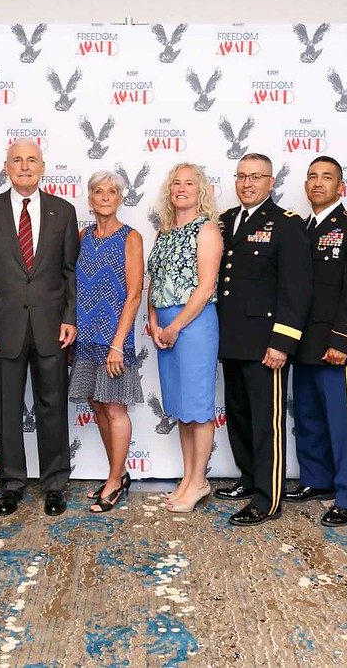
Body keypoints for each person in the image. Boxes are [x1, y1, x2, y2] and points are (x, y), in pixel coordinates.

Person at [0, 139, 80, 517]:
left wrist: (69, 317)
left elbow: (69, 274)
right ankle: (12, 483)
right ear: (6, 166)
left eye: (32, 160)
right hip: (2, 329)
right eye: (18, 160)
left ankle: (55, 484)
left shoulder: (63, 212)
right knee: (6, 408)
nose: (25, 166)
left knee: (53, 407)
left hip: (51, 328)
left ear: (43, 166)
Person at [214, 154, 311, 527]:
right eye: (241, 176)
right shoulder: (225, 222)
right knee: (239, 415)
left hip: (265, 344)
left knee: (266, 423)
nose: (247, 183)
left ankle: (268, 497)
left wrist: (282, 343)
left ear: (271, 182)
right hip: (231, 340)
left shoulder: (286, 225)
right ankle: (249, 478)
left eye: (255, 177)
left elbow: (297, 290)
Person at [286, 156, 347, 527]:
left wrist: (344, 339)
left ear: (341, 186)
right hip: (302, 344)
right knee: (308, 419)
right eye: (312, 176)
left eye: (326, 177)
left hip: (337, 346)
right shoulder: (300, 228)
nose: (318, 183)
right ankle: (316, 480)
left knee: (343, 424)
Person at [146, 163, 223, 514]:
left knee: (198, 407)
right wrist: (152, 321)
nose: (181, 188)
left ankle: (199, 481)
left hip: (192, 326)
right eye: (176, 182)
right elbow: (155, 282)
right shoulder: (163, 233)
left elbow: (206, 287)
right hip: (164, 327)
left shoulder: (206, 230)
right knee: (179, 406)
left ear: (200, 191)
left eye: (189, 183)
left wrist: (174, 326)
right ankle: (189, 478)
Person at [69, 171, 145, 513]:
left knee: (115, 408)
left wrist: (118, 344)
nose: (104, 196)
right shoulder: (81, 236)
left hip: (114, 338)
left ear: (120, 199)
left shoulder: (131, 238)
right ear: (90, 199)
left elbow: (133, 296)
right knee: (97, 405)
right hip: (85, 337)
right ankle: (118, 473)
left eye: (112, 191)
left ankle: (114, 481)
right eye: (98, 191)